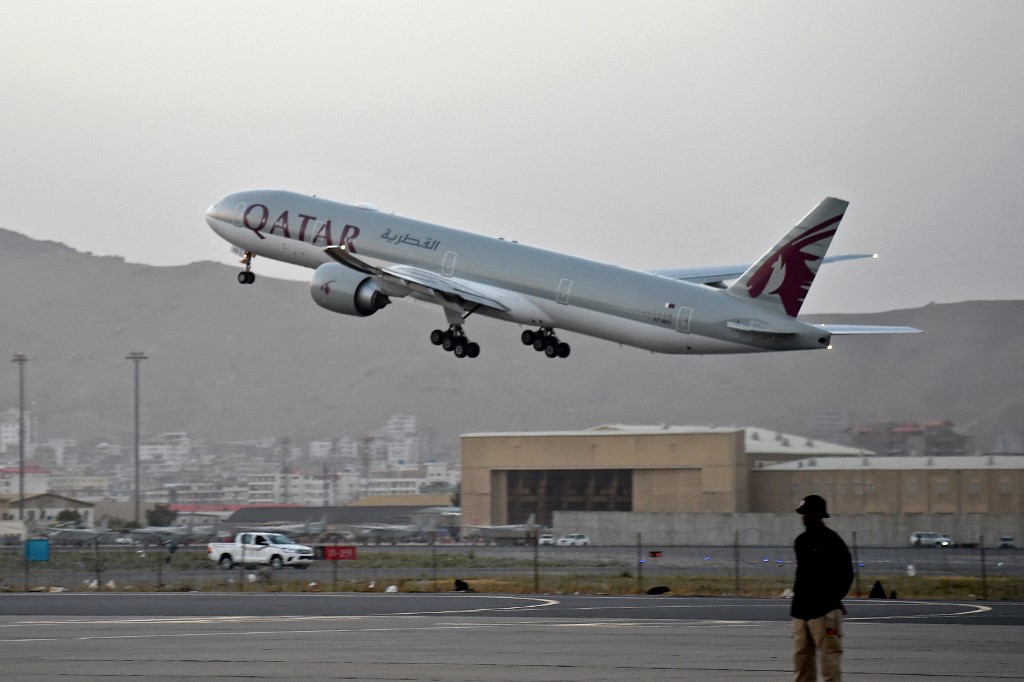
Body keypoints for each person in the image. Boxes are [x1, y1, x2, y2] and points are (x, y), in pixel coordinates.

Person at [791, 494, 853, 682]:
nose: (804, 517)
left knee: (829, 666)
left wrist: (832, 600)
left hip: (824, 612)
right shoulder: (800, 541)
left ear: (818, 515)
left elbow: (846, 575)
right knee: (801, 665)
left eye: (807, 513)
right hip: (801, 612)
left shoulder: (832, 541)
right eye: (803, 513)